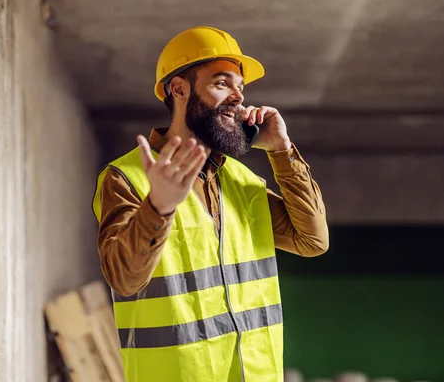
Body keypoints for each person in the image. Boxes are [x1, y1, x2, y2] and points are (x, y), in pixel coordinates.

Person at [92, 26, 329, 382]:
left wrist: (282, 151)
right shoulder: (127, 177)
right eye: (222, 84)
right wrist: (159, 206)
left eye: (241, 87)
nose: (238, 97)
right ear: (180, 89)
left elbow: (313, 241)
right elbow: (124, 279)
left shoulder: (241, 181)